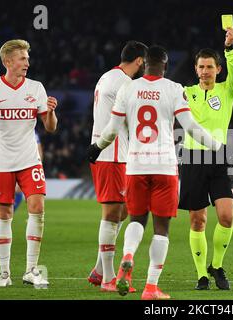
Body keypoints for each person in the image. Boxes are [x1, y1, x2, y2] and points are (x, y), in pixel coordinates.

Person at [87, 45, 222, 299]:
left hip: (136, 166)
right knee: (161, 228)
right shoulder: (173, 89)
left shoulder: (128, 88)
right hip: (164, 166)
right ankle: (151, 287)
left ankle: (127, 255)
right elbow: (191, 128)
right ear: (166, 66)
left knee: (136, 219)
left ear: (144, 64)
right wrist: (218, 146)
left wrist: (97, 147)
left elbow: (113, 129)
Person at [0, 39, 58, 287]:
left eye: (27, 59)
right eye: (22, 58)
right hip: (1, 161)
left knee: (38, 207)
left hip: (30, 159)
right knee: (4, 213)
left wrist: (51, 112)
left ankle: (31, 270)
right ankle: (5, 273)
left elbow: (50, 128)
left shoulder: (36, 88)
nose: (27, 63)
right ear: (8, 61)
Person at [178, 27, 233, 290]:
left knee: (226, 216)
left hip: (220, 157)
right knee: (198, 220)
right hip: (192, 159)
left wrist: (229, 48)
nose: (205, 71)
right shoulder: (186, 92)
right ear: (196, 69)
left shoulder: (228, 90)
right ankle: (202, 274)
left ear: (218, 69)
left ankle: (217, 265)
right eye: (201, 66)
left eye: (209, 67)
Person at [87, 40, 148, 292]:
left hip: (113, 153)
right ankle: (109, 279)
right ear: (140, 61)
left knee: (123, 210)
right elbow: (126, 122)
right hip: (110, 154)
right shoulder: (124, 83)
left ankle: (99, 270)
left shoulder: (107, 77)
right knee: (112, 214)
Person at [14, 131, 43, 212]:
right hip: (16, 163)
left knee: (19, 190)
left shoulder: (32, 132)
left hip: (29, 164)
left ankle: (12, 212)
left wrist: (38, 164)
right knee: (16, 190)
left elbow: (39, 150)